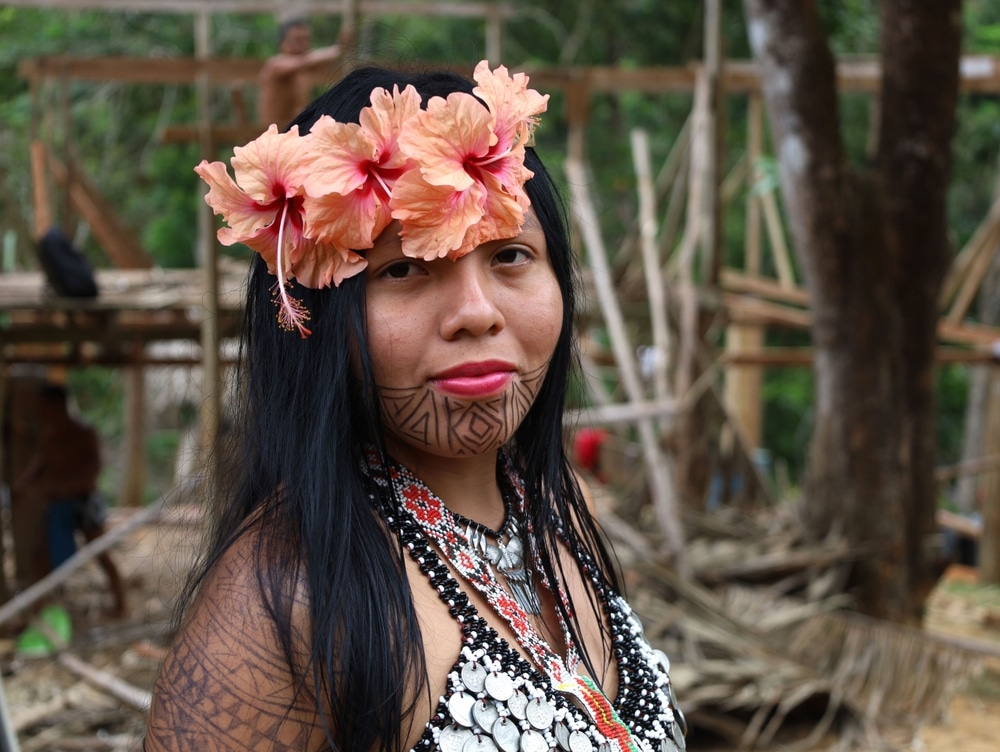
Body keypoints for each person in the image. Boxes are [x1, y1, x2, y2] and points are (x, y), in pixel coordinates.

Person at [145, 60, 685, 752]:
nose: (475, 313)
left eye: (511, 255)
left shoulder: (557, 530)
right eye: (403, 269)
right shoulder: (286, 601)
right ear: (316, 316)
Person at [10, 383, 127, 619]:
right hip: (57, 506)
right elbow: (39, 462)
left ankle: (121, 604)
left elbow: (93, 469)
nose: (41, 411)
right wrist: (22, 485)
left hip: (82, 502)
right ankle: (37, 611)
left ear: (56, 405)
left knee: (101, 552)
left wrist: (67, 487)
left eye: (45, 406)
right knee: (42, 557)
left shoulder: (83, 433)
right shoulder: (49, 434)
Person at [257, 17, 342, 129]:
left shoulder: (303, 70)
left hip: (298, 132)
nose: (303, 44)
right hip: (273, 134)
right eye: (298, 39)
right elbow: (304, 61)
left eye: (306, 39)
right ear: (283, 42)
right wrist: (339, 50)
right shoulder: (275, 65)